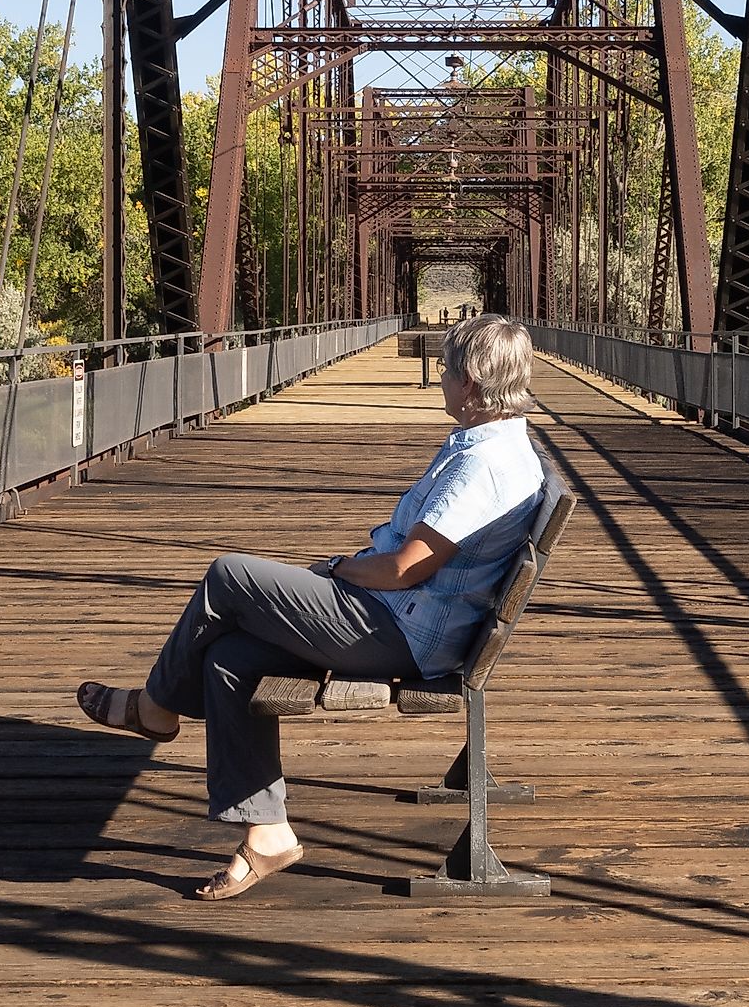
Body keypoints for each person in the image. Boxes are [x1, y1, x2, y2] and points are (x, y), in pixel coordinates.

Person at [77, 313, 547, 899]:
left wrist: (335, 569)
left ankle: (155, 708)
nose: (443, 380)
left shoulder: (485, 468)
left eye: (449, 370)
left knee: (229, 576)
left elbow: (403, 569)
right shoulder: (504, 448)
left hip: (396, 628)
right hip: (407, 619)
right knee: (230, 654)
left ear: (472, 384)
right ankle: (268, 833)